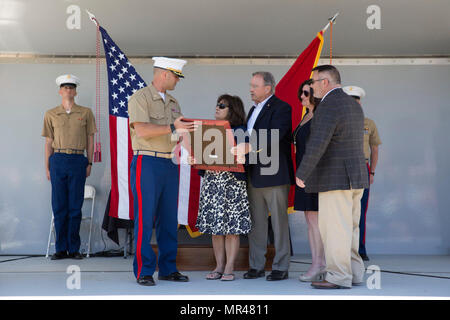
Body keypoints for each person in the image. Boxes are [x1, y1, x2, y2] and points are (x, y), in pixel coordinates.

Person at [296, 65, 369, 289]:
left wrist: (302, 173)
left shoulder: (328, 105)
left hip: (334, 178)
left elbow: (318, 143)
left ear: (325, 82)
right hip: (355, 176)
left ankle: (338, 276)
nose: (311, 85)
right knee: (351, 229)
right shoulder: (352, 104)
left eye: (314, 81)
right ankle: (354, 273)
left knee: (336, 230)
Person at [128, 57, 196, 286]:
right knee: (145, 218)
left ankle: (168, 268)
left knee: (169, 220)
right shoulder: (140, 98)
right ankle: (144, 271)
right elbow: (142, 130)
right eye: (176, 76)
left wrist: (192, 153)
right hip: (146, 163)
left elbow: (181, 133)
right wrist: (172, 127)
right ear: (164, 74)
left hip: (170, 163)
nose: (177, 80)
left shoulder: (174, 102)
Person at [192, 94, 252, 281]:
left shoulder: (241, 130)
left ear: (232, 110)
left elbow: (247, 156)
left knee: (232, 229)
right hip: (212, 182)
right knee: (215, 228)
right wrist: (196, 159)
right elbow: (202, 156)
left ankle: (229, 267)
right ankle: (218, 266)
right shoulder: (208, 129)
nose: (217, 107)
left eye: (222, 105)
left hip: (232, 183)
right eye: (217, 104)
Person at [244, 71, 295, 281]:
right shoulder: (252, 109)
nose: (251, 89)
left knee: (279, 223)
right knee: (256, 223)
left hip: (274, 173)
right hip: (254, 173)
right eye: (251, 85)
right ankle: (256, 265)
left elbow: (276, 134)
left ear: (268, 88)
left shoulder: (282, 107)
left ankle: (281, 267)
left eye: (255, 85)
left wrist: (249, 146)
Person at [42, 74, 97, 260]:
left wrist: (89, 162)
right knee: (59, 206)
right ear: (60, 91)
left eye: (71, 87)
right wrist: (47, 166)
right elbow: (49, 142)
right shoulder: (51, 114)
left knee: (75, 206)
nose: (68, 90)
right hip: (58, 159)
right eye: (65, 87)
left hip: (77, 160)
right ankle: (60, 248)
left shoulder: (85, 112)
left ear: (75, 91)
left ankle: (74, 248)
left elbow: (91, 140)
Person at [343, 86, 382, 261]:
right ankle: (342, 249)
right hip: (341, 169)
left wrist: (372, 171)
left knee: (360, 211)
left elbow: (374, 149)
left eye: (356, 102)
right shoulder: (338, 122)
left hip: (362, 167)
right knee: (341, 211)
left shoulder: (368, 123)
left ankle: (360, 248)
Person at [293, 79, 326, 282]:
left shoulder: (320, 117)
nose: (302, 97)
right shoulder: (306, 116)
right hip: (303, 174)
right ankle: (318, 263)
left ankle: (319, 264)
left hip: (314, 175)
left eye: (306, 93)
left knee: (316, 222)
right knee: (310, 220)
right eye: (301, 93)